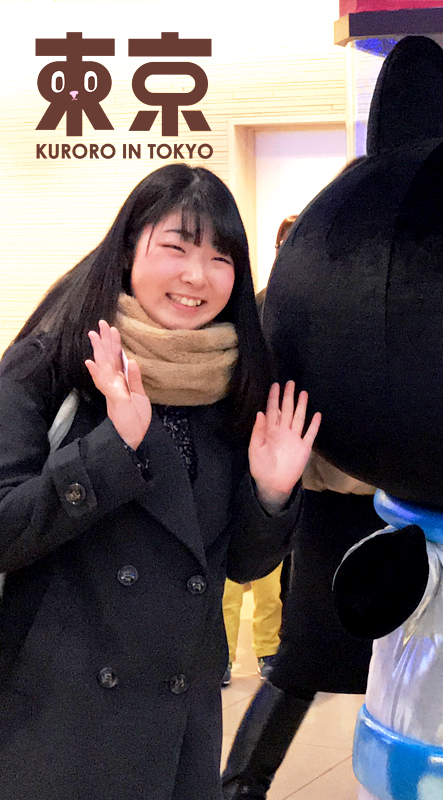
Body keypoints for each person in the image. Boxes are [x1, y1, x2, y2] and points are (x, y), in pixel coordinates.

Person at [0, 164, 320, 800]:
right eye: (176, 247)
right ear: (127, 252)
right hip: (57, 721)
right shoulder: (51, 366)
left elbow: (240, 566)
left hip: (180, 728)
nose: (198, 276)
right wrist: (111, 448)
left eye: (220, 258)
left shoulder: (232, 383)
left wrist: (271, 493)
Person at [221, 210, 376, 800]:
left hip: (387, 504)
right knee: (302, 659)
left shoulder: (370, 300)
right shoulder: (284, 308)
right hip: (330, 500)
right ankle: (241, 785)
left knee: (405, 660)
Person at [220, 215, 301, 687]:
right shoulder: (252, 309)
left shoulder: (307, 310)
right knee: (228, 571)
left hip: (283, 446)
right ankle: (223, 654)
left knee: (271, 567)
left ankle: (269, 648)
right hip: (239, 438)